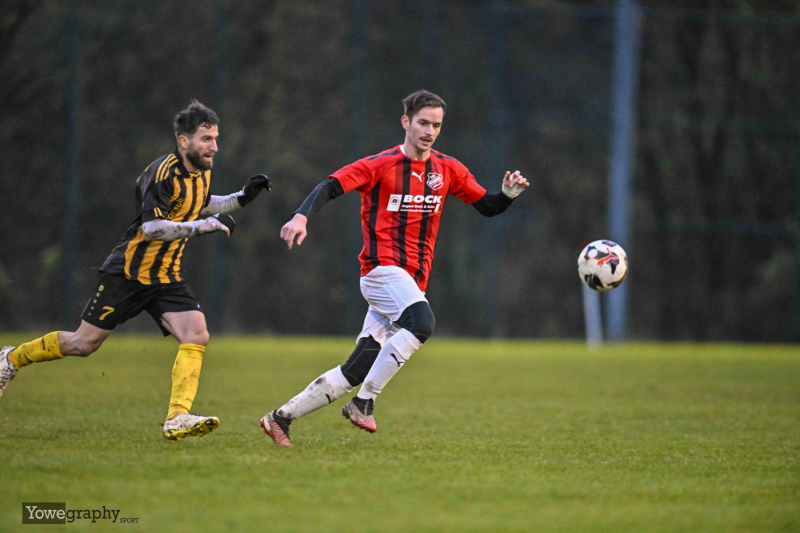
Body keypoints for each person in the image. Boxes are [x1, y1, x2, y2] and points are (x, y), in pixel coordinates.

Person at [260, 89, 528, 447]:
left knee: (355, 368)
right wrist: (300, 217)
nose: (429, 131)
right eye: (422, 123)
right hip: (380, 271)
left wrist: (507, 194)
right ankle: (364, 403)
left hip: (411, 283)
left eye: (436, 125)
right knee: (423, 323)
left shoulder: (448, 169)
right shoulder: (380, 164)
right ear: (406, 122)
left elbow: (487, 206)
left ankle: (280, 418)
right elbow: (331, 185)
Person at [0, 100, 271, 442]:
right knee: (83, 344)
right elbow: (153, 228)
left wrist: (243, 196)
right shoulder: (162, 173)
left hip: (166, 276)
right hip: (128, 273)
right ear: (183, 140)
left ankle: (177, 417)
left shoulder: (202, 170)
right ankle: (11, 358)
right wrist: (204, 226)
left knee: (196, 334)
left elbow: (201, 204)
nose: (214, 146)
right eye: (206, 138)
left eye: (216, 138)